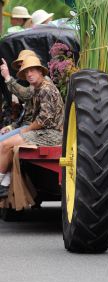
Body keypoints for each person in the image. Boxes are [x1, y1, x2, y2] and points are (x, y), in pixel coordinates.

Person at [0, 55, 64, 198]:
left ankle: (2, 185)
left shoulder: (45, 89)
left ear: (41, 72)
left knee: (5, 145)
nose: (29, 74)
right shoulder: (37, 88)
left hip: (52, 134)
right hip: (44, 131)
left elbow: (43, 120)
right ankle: (4, 185)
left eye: (32, 70)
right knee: (7, 145)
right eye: (26, 72)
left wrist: (26, 129)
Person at [0, 50, 38, 142]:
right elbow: (26, 113)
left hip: (34, 130)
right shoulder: (30, 83)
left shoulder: (41, 82)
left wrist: (7, 77)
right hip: (26, 126)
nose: (23, 69)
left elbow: (26, 95)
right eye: (21, 66)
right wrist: (11, 127)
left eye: (24, 65)